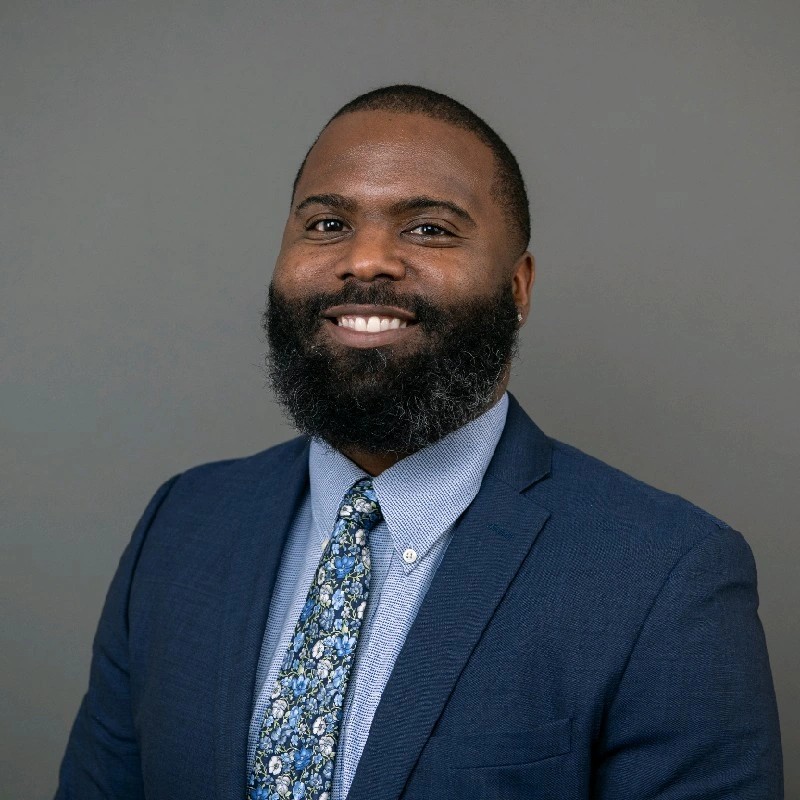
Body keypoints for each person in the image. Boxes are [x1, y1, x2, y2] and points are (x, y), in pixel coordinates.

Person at [55, 85, 782, 800]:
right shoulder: (181, 524)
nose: (366, 260)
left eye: (429, 229)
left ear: (518, 288)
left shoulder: (664, 575)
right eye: (328, 224)